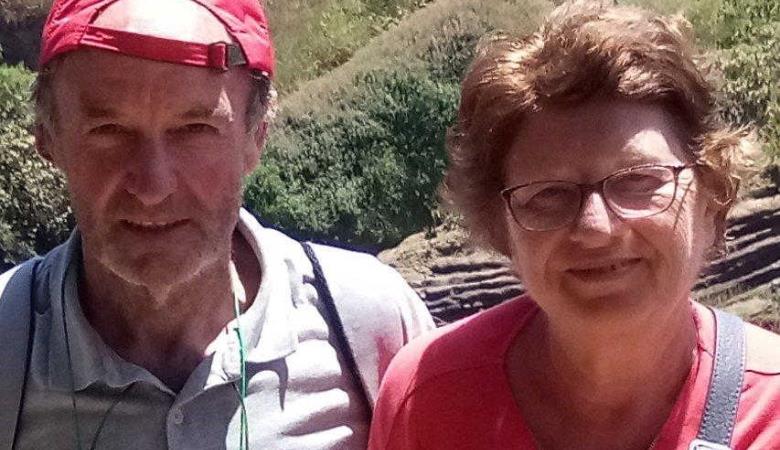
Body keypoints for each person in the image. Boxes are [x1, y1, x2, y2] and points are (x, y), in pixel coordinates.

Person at [0, 0, 435, 448]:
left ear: (256, 136)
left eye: (195, 129)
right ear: (47, 139)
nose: (153, 187)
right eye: (109, 130)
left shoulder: (371, 325)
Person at [368, 2, 780, 449]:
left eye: (639, 181)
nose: (596, 228)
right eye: (548, 194)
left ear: (711, 198)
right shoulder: (429, 398)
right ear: (501, 228)